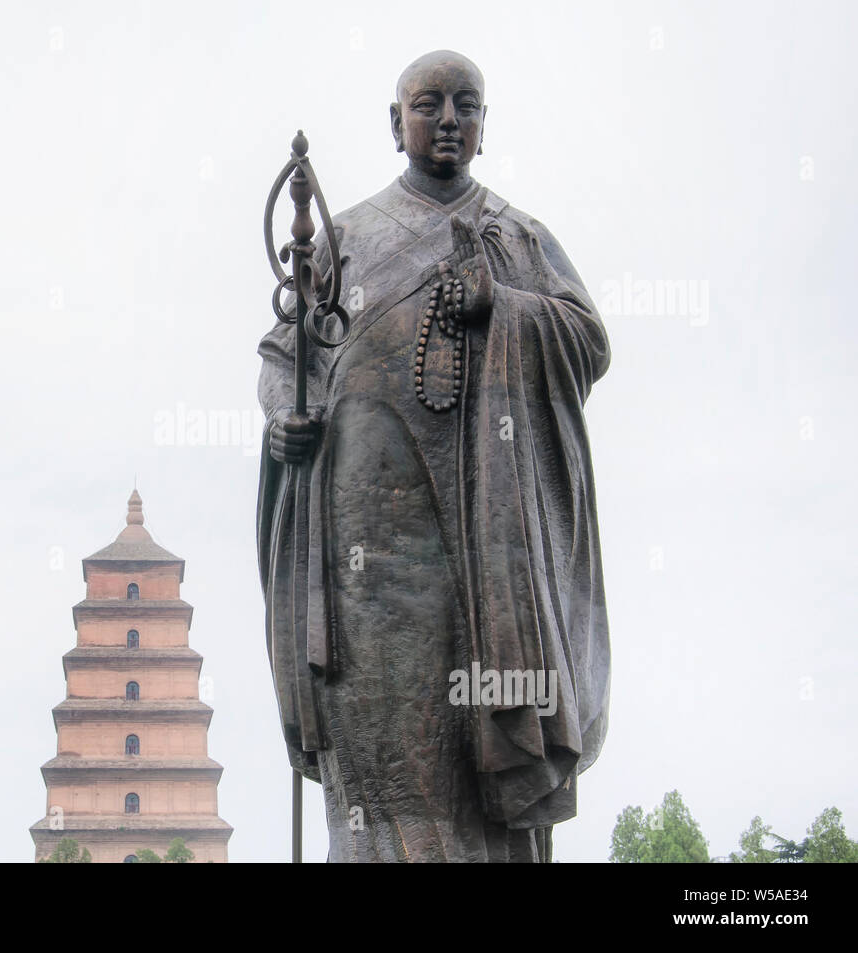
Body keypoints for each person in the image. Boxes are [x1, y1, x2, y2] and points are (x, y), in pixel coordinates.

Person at [256, 50, 611, 861]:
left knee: (483, 734)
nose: (449, 118)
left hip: (490, 556)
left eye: (467, 105)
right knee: (383, 761)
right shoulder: (343, 241)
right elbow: (285, 361)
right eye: (429, 103)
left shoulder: (517, 236)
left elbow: (587, 339)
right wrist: (287, 419)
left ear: (485, 127)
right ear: (395, 122)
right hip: (365, 557)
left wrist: (503, 303)